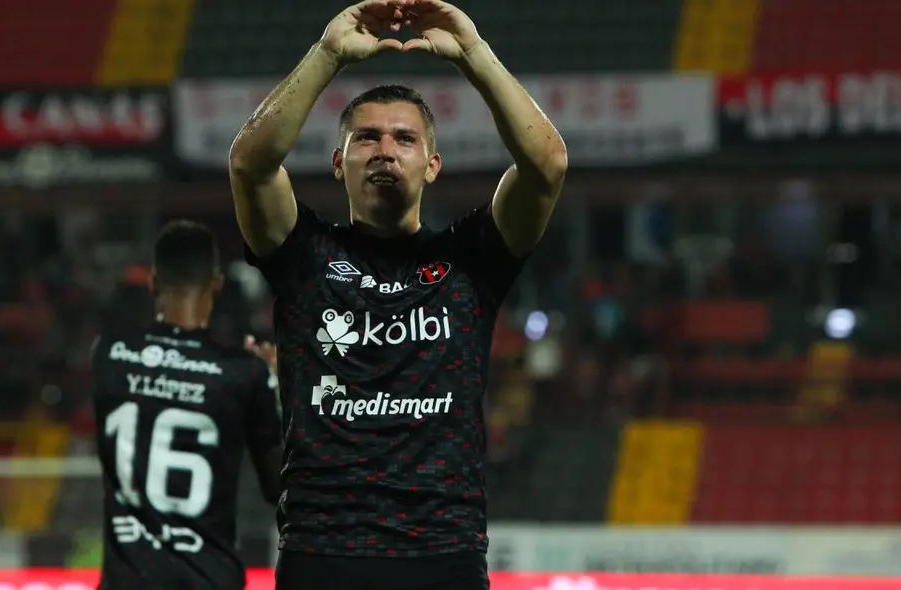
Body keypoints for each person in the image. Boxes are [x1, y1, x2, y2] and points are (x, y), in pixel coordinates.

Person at [229, 0, 567, 588]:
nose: (385, 149)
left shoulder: (471, 259)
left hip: (443, 553)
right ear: (338, 162)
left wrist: (474, 54)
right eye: (366, 138)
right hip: (323, 551)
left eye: (404, 138)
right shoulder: (303, 255)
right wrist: (328, 53)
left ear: (432, 164)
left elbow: (547, 165)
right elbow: (250, 166)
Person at [91, 220, 282, 590]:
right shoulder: (242, 373)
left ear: (153, 281)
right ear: (216, 284)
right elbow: (278, 486)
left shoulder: (109, 353)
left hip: (126, 581)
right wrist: (274, 386)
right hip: (207, 579)